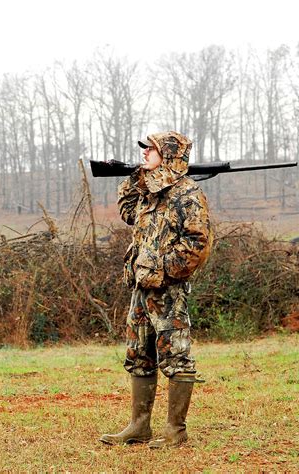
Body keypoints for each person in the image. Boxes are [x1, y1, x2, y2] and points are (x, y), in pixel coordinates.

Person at [100, 131, 213, 448]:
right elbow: (127, 212)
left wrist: (162, 271)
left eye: (151, 149)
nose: (145, 153)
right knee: (139, 356)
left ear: (168, 154)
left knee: (176, 358)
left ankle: (175, 431)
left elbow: (197, 245)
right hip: (140, 288)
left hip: (168, 291)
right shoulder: (152, 193)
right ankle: (139, 427)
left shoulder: (187, 195)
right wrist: (137, 178)